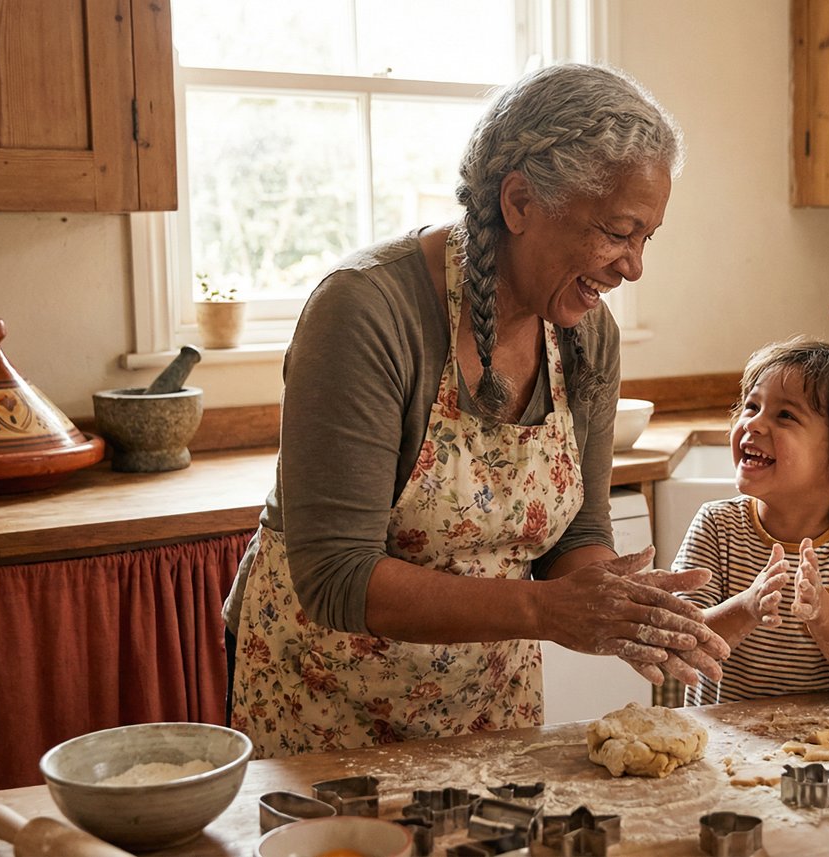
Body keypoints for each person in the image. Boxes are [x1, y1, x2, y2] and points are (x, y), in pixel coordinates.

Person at [223, 63, 728, 758]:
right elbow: (337, 574)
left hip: (491, 708)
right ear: (519, 201)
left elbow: (576, 530)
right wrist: (548, 612)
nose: (633, 266)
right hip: (325, 708)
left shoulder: (586, 331)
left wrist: (619, 609)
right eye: (617, 231)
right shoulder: (367, 310)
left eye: (648, 238)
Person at [675, 338, 829, 704]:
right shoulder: (716, 526)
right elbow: (680, 643)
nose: (753, 423)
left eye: (785, 415)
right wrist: (746, 607)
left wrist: (822, 612)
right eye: (752, 406)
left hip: (822, 748)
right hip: (722, 745)